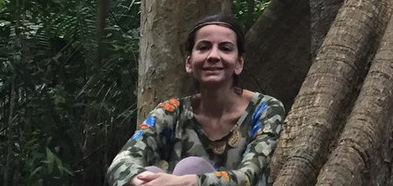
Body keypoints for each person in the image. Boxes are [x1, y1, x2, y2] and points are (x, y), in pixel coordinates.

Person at [106, 14, 285, 186]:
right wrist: (140, 180)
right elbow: (121, 162)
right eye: (204, 47)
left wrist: (188, 181)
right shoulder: (172, 111)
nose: (213, 56)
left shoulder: (265, 109)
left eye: (225, 48)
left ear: (239, 62)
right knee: (148, 174)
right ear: (189, 62)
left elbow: (248, 176)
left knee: (191, 167)